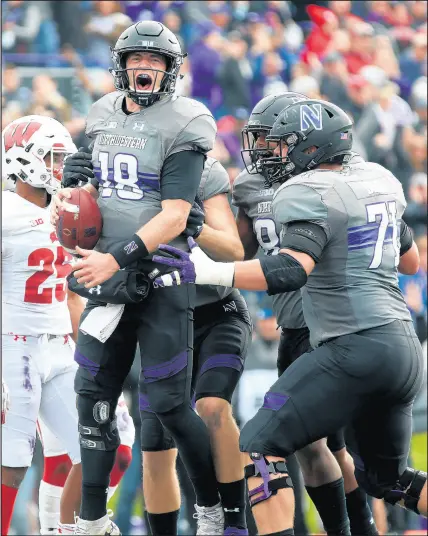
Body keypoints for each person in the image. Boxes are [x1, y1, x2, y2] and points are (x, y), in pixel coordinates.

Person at [152, 99, 427, 536]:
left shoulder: (308, 190)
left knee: (259, 442)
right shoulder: (378, 180)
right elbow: (409, 262)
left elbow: (291, 269)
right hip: (399, 343)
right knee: (387, 479)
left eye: (280, 145)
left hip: (348, 344)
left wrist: (206, 270)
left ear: (311, 148)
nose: (270, 152)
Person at [51, 21, 221, 536]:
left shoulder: (189, 121)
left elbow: (174, 213)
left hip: (161, 274)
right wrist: (76, 177)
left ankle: (212, 507)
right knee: (93, 392)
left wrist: (115, 258)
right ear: (121, 65)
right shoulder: (102, 112)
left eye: (156, 61)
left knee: (168, 404)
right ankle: (91, 519)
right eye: (136, 59)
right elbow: (97, 187)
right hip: (109, 274)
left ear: (170, 71)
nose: (144, 67)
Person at [233, 92, 377, 536]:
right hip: (294, 329)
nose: (261, 151)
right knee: (320, 448)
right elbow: (241, 253)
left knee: (332, 449)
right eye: (257, 141)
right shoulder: (250, 187)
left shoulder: (333, 184)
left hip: (331, 327)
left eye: (270, 141)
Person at [138, 156, 252, 536]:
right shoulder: (121, 169)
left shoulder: (203, 171)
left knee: (212, 405)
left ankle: (229, 521)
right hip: (160, 319)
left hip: (215, 311)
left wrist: (197, 230)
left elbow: (234, 249)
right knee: (154, 445)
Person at [1, 115, 81, 536]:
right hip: (14, 345)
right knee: (11, 466)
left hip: (60, 347)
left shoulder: (67, 212)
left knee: (109, 447)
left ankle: (57, 530)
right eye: (51, 157)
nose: (59, 167)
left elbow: (72, 289)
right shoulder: (6, 211)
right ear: (21, 160)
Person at [37, 392, 135, 535]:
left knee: (121, 452)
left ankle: (91, 519)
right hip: (49, 373)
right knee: (61, 464)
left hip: (100, 373)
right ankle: (64, 530)